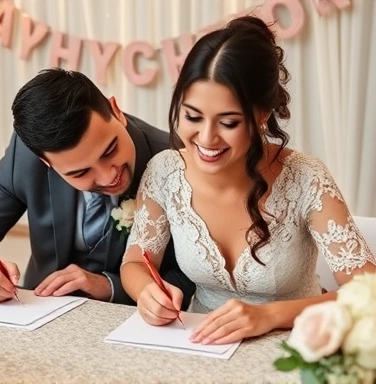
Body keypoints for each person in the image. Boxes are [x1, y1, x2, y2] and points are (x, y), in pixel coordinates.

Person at [120, 16, 376, 344]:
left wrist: (270, 315)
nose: (207, 138)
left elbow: (367, 294)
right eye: (192, 116)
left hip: (295, 345)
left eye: (228, 122)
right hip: (197, 344)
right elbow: (135, 262)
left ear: (263, 115)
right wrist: (146, 292)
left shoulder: (306, 178)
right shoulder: (164, 172)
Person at [0, 68, 195, 306]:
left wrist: (109, 286)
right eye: (80, 172)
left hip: (132, 321)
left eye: (110, 151)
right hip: (38, 311)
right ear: (45, 162)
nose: (108, 177)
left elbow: (194, 276)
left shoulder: (175, 160)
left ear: (115, 110)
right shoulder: (27, 156)